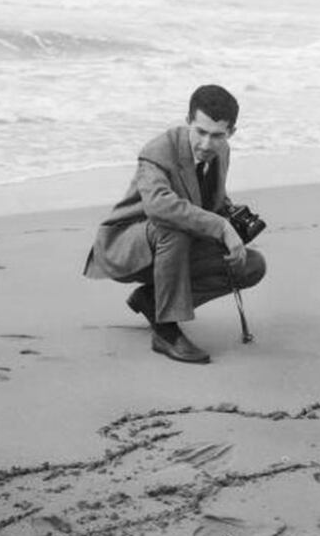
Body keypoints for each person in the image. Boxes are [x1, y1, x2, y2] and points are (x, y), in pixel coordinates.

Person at [83, 85, 266, 364]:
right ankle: (165, 331)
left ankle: (153, 300)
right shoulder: (157, 151)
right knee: (172, 226)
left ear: (231, 133)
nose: (206, 144)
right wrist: (220, 227)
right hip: (128, 246)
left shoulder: (222, 152)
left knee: (251, 266)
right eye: (200, 132)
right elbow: (160, 207)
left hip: (176, 249)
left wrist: (231, 218)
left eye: (217, 135)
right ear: (187, 121)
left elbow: (208, 197)